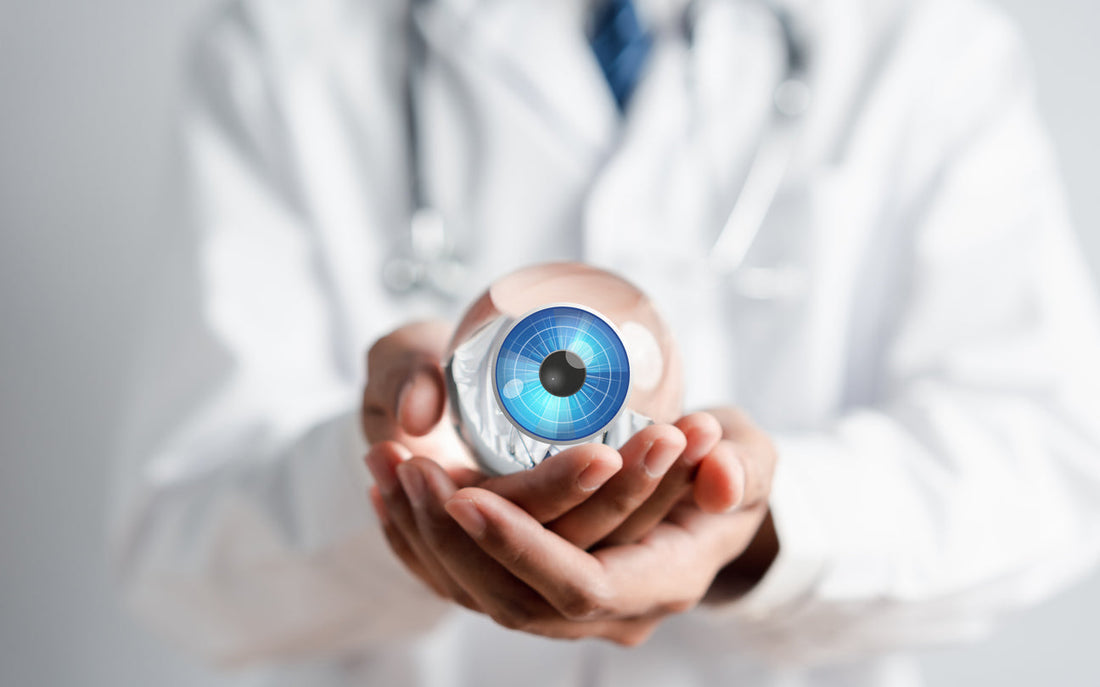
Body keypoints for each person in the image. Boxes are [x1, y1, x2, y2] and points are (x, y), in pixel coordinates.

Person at [111, 0, 1100, 684]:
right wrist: (398, 487)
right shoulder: (283, 45)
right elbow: (180, 548)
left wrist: (756, 528)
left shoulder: (922, 43)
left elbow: (1045, 461)